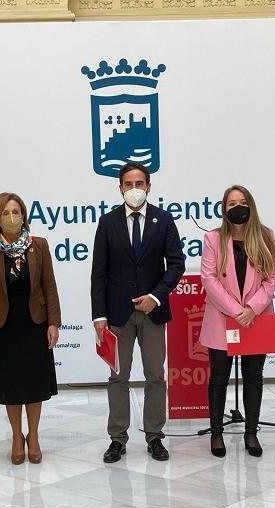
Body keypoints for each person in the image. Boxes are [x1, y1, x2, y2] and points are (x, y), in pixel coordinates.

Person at [91, 162, 185, 463]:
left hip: (153, 313)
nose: (134, 189)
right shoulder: (107, 223)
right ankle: (117, 438)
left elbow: (176, 264)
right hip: (117, 315)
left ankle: (155, 436)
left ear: (149, 186)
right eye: (128, 184)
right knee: (118, 376)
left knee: (155, 375)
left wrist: (155, 297)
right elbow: (99, 273)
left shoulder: (164, 220)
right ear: (120, 187)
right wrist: (99, 316)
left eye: (139, 183)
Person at [0, 192, 61, 465]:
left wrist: (53, 322)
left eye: (16, 212)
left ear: (24, 215)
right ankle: (16, 435)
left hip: (34, 324)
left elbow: (49, 286)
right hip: (4, 326)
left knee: (34, 384)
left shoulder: (39, 246)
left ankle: (33, 436)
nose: (12, 217)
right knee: (12, 386)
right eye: (6, 213)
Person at [199, 185, 275, 459]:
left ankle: (251, 432)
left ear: (251, 205)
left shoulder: (266, 236)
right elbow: (209, 279)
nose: (237, 207)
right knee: (219, 377)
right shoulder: (213, 239)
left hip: (255, 320)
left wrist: (252, 309)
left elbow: (272, 278)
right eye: (232, 203)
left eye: (242, 202)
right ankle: (216, 433)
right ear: (224, 209)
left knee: (253, 377)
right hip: (223, 318)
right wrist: (237, 310)